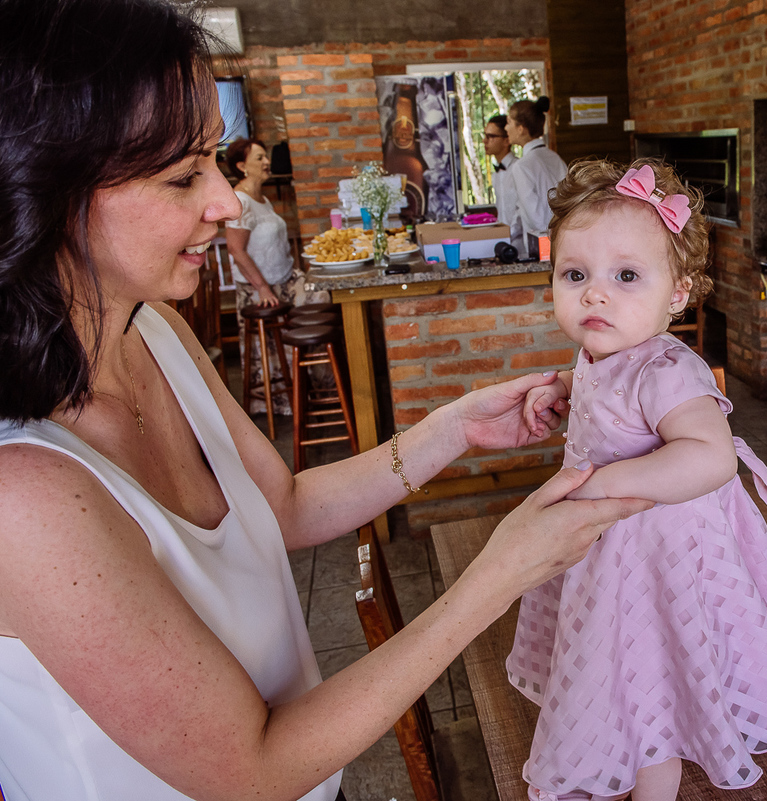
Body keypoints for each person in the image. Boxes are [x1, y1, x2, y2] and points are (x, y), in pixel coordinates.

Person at [0, 2, 650, 800]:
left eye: (214, 160)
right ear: (50, 188)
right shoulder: (21, 492)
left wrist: (454, 428)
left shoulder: (156, 333)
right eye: (183, 175)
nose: (226, 202)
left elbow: (285, 505)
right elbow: (253, 769)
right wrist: (500, 573)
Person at [509, 158, 767, 801]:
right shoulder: (606, 351)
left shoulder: (669, 370)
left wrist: (602, 482)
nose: (595, 294)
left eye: (626, 276)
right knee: (613, 663)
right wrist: (566, 387)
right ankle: (612, 734)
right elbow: (609, 388)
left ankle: (653, 773)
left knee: (653, 678)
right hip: (612, 549)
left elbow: (711, 456)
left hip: (662, 557)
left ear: (678, 294)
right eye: (575, 274)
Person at [224, 136, 310, 415]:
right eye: (259, 157)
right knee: (315, 304)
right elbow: (236, 250)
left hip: (284, 279)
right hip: (261, 290)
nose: (266, 162)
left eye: (265, 156)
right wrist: (262, 287)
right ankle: (286, 399)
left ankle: (307, 387)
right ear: (242, 166)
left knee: (321, 299)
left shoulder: (262, 199)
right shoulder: (240, 200)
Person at [506, 96, 567, 258]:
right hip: (564, 240)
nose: (506, 128)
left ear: (521, 128)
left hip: (541, 248)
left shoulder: (521, 166)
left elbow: (536, 219)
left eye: (509, 122)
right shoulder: (555, 157)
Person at [483, 113, 522, 248]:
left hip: (521, 243)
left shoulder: (519, 169)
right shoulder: (497, 174)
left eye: (491, 136)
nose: (485, 141)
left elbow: (522, 211)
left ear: (506, 140)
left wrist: (509, 234)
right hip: (503, 243)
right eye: (485, 135)